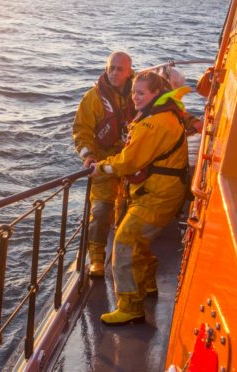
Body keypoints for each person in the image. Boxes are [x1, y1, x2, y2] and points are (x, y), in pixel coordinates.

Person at [91, 70, 189, 326]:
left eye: (141, 92)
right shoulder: (163, 114)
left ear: (156, 93)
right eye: (133, 91)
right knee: (139, 241)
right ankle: (146, 286)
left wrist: (101, 168)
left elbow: (129, 161)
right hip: (161, 191)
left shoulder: (153, 123)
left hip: (159, 195)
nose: (134, 97)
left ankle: (131, 307)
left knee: (125, 241)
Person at [73, 51, 135, 277]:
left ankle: (125, 255)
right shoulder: (93, 98)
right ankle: (97, 259)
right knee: (99, 211)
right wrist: (88, 156)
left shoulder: (138, 93)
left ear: (129, 72)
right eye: (111, 68)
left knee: (129, 210)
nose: (114, 73)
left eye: (120, 69)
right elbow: (82, 130)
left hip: (131, 161)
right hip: (103, 164)